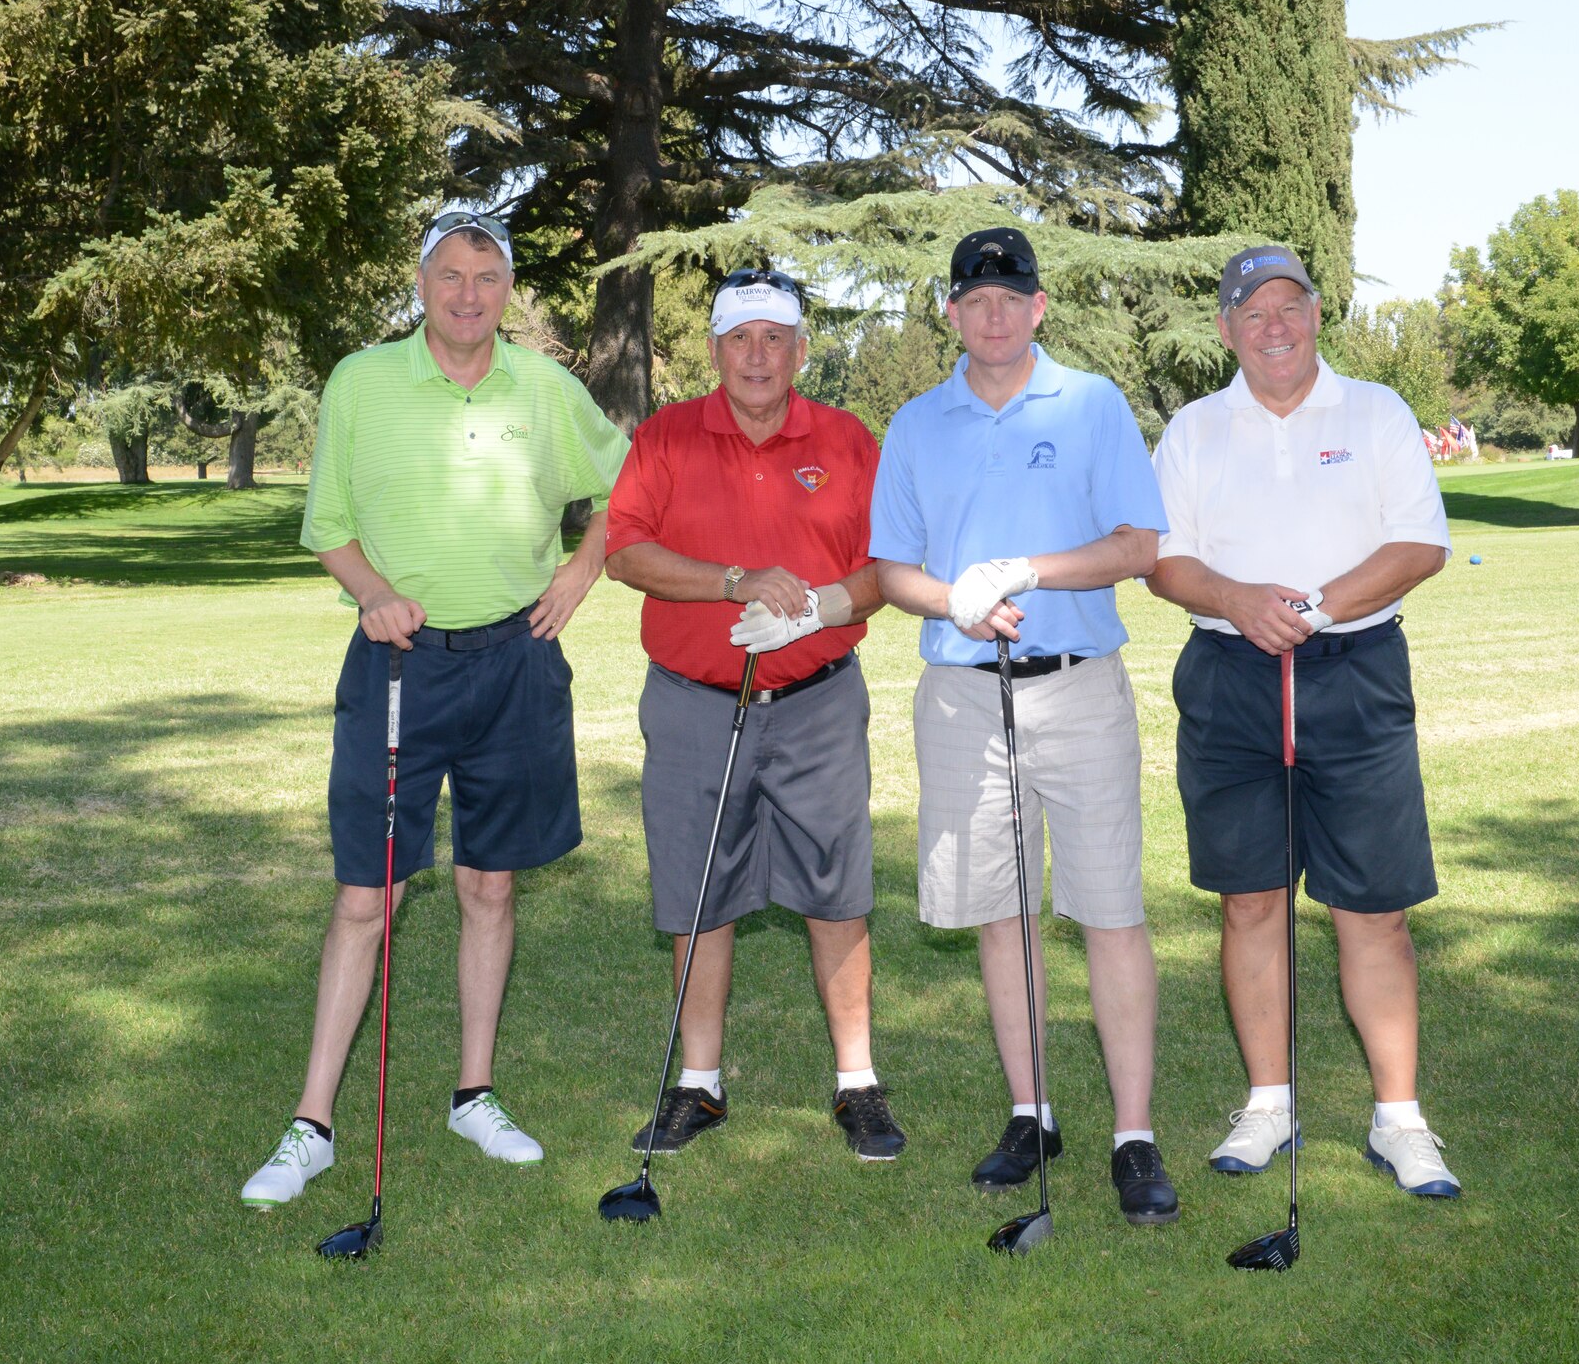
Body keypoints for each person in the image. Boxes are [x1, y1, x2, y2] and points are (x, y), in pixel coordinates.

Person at [241, 211, 630, 1207]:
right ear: (420, 282)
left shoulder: (545, 388)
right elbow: (328, 525)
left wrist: (582, 572)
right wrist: (370, 590)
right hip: (397, 661)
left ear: (508, 290)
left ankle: (473, 1093)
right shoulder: (362, 382)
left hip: (517, 661)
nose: (468, 295)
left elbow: (632, 486)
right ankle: (312, 1123)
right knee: (367, 896)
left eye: (487, 277)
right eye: (450, 275)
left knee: (489, 887)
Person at [869, 228, 1178, 1225]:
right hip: (964, 693)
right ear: (950, 312)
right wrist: (954, 595)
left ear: (1038, 307)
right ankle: (1029, 1110)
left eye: (1010, 296)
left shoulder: (1089, 403)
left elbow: (1137, 543)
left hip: (1078, 687)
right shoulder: (916, 423)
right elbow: (889, 570)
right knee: (999, 910)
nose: (993, 312)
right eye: (974, 298)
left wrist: (1029, 570)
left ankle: (1132, 1135)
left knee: (1107, 909)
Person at [1145, 244, 1461, 1199]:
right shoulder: (1194, 430)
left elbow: (1420, 544)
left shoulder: (1375, 412)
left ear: (1317, 314)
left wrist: (1314, 606)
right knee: (1251, 899)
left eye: (1289, 306)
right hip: (1231, 678)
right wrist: (1242, 600)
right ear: (1226, 329)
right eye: (1253, 311)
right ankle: (1269, 1100)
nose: (1273, 325)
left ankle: (1398, 1118)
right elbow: (1164, 561)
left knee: (1374, 909)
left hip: (1354, 672)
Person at [603, 269, 906, 1161]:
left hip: (815, 704)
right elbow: (625, 553)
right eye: (742, 338)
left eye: (777, 337)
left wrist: (819, 607)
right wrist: (736, 580)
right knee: (701, 896)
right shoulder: (666, 436)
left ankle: (858, 1083)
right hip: (696, 704)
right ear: (714, 352)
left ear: (802, 350)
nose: (759, 355)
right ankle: (699, 1083)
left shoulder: (847, 440)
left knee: (837, 890)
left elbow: (886, 566)